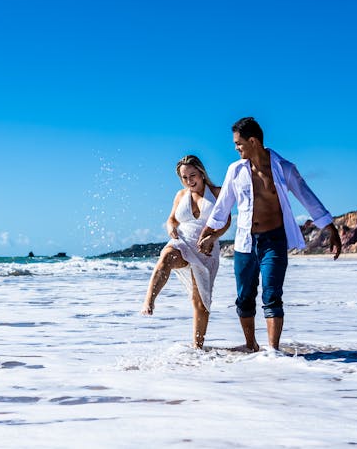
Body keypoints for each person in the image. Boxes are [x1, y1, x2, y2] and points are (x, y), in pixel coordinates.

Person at [198, 117, 342, 353]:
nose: (236, 148)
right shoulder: (235, 171)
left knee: (272, 294)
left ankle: (273, 352)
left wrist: (330, 228)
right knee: (244, 298)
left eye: (238, 143)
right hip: (245, 243)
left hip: (274, 240)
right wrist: (207, 233)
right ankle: (251, 345)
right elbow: (222, 206)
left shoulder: (284, 168)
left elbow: (307, 197)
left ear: (253, 141)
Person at [141, 155, 231, 349]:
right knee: (166, 256)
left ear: (201, 173)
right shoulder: (180, 195)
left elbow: (226, 221)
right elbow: (172, 219)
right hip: (183, 240)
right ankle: (150, 300)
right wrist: (170, 228)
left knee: (200, 301)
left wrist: (212, 238)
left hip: (206, 248)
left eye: (193, 175)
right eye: (184, 177)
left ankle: (198, 347)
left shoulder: (217, 192)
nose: (189, 181)